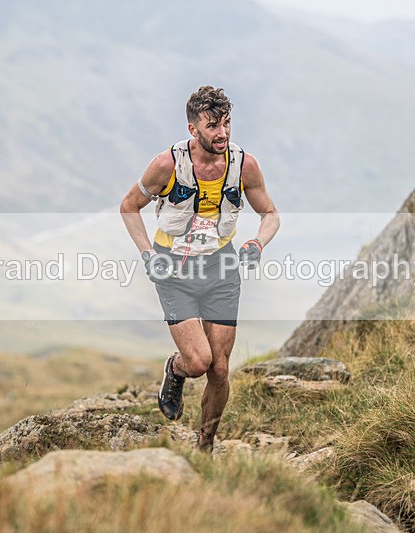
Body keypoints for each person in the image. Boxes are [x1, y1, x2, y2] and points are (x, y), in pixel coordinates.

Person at [119, 85, 280, 452]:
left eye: (226, 124)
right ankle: (175, 370)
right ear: (193, 128)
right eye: (212, 126)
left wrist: (257, 241)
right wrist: (148, 255)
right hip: (173, 269)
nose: (222, 133)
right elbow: (129, 206)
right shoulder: (166, 165)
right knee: (198, 361)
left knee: (220, 369)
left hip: (222, 268)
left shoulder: (245, 165)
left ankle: (205, 445)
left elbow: (270, 214)